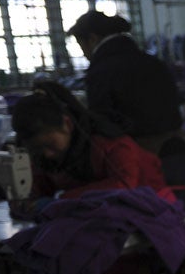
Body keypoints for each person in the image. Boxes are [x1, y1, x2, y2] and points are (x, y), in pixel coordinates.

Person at [10, 81, 176, 218]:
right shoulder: (45, 156)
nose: (47, 154)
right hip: (103, 216)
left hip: (154, 211)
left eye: (50, 145)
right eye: (37, 149)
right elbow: (40, 185)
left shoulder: (111, 143)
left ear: (67, 124)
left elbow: (124, 185)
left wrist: (63, 199)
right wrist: (27, 201)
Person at [68, 10, 183, 157]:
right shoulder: (152, 62)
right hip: (176, 149)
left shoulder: (102, 71)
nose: (84, 54)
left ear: (92, 39)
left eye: (81, 46)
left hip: (137, 155)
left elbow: (102, 121)